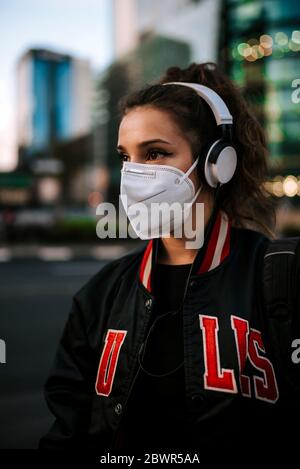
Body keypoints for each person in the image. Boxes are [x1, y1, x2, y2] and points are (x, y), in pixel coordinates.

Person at [39, 62, 299, 460]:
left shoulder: (284, 276)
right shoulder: (100, 294)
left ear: (218, 164)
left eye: (155, 153)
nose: (134, 175)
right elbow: (68, 433)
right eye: (126, 156)